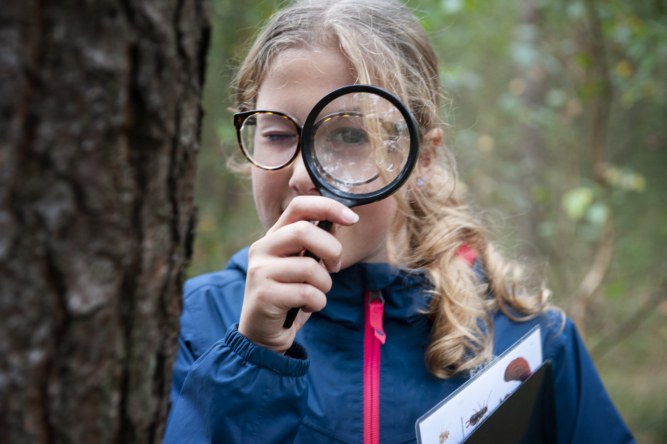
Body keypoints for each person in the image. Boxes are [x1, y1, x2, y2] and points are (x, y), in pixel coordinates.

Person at [163, 1, 634, 443]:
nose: (303, 175)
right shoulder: (190, 325)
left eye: (349, 135)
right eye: (278, 135)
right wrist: (253, 357)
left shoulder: (529, 341)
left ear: (422, 157)